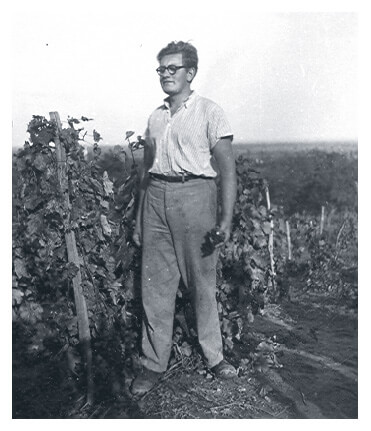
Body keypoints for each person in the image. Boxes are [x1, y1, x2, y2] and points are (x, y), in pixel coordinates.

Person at [130, 41, 237, 396]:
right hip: (156, 199)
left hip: (196, 197)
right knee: (155, 287)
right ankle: (153, 364)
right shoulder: (156, 117)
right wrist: (139, 217)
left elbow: (227, 170)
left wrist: (225, 220)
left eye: (172, 68)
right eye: (161, 69)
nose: (165, 75)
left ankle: (214, 357)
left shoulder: (210, 112)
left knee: (201, 281)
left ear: (190, 73)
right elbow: (146, 170)